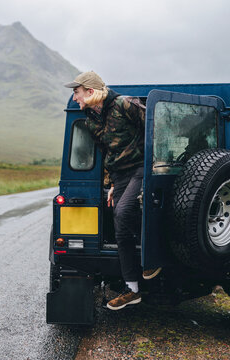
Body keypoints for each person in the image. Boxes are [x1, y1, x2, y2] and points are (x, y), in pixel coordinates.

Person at [64, 71, 162, 310]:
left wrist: (159, 168)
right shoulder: (90, 119)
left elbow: (156, 129)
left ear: (90, 91)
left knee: (124, 212)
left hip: (142, 168)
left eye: (76, 92)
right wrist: (111, 185)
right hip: (120, 176)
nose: (74, 98)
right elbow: (106, 152)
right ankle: (133, 290)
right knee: (120, 232)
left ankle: (155, 255)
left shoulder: (124, 104)